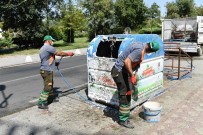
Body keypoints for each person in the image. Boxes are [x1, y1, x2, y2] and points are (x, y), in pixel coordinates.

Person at [111, 41, 160, 128]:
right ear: (150, 50)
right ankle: (123, 120)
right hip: (119, 72)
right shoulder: (139, 50)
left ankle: (125, 114)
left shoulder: (141, 46)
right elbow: (127, 61)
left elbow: (134, 64)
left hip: (123, 72)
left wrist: (134, 76)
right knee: (125, 95)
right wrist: (132, 75)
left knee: (128, 93)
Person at [38, 35, 74, 109]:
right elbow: (59, 53)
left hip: (45, 69)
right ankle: (41, 102)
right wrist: (68, 54)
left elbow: (47, 59)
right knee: (47, 87)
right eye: (52, 40)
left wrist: (55, 63)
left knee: (50, 85)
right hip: (46, 70)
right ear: (48, 41)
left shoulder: (43, 48)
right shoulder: (48, 47)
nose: (52, 42)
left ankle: (50, 99)